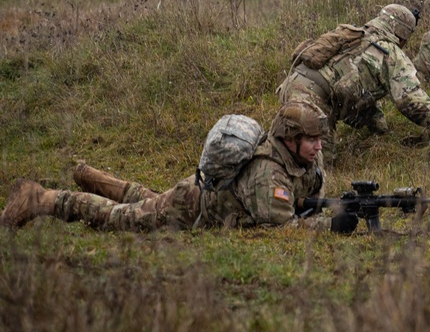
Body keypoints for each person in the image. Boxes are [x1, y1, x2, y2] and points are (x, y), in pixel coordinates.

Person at [0, 102, 358, 233]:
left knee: (146, 200)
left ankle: (93, 177)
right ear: (291, 139)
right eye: (311, 140)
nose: (318, 146)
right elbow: (280, 226)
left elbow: (302, 201)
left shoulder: (300, 158)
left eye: (318, 139)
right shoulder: (270, 174)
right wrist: (330, 226)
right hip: (190, 207)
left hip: (199, 194)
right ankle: (42, 198)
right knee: (121, 218)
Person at [277, 4, 430, 139]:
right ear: (403, 34)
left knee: (288, 147)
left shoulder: (356, 38)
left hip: (290, 87)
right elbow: (410, 99)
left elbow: (354, 94)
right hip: (312, 102)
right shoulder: (388, 51)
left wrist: (379, 129)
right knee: (317, 167)